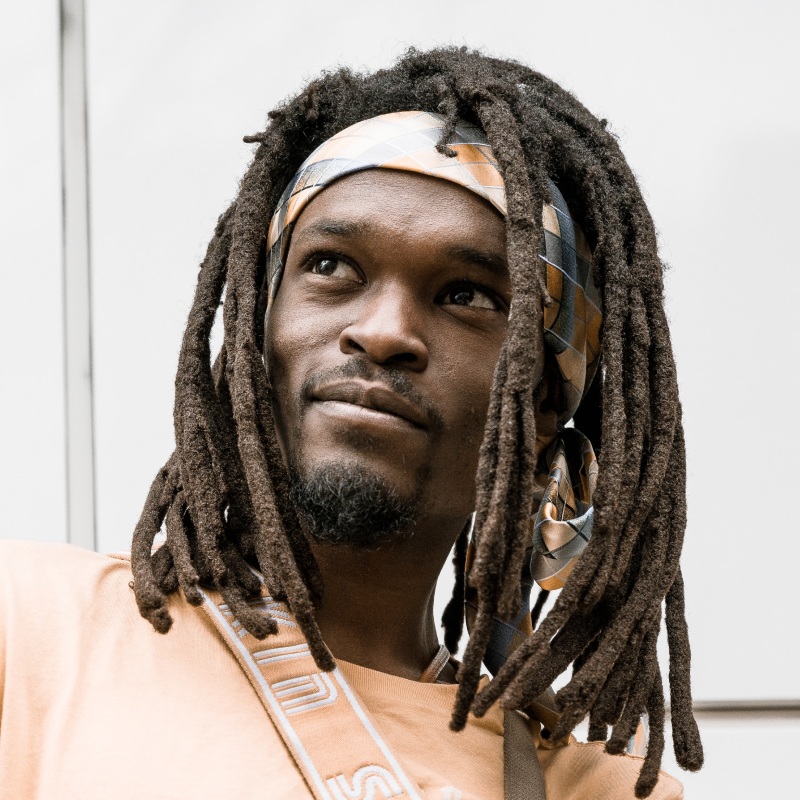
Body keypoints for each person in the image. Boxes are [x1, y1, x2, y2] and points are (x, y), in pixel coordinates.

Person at [0, 48, 703, 799]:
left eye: (467, 294)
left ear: (541, 405)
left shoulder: (586, 791)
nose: (383, 331)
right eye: (332, 266)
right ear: (253, 330)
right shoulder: (29, 627)